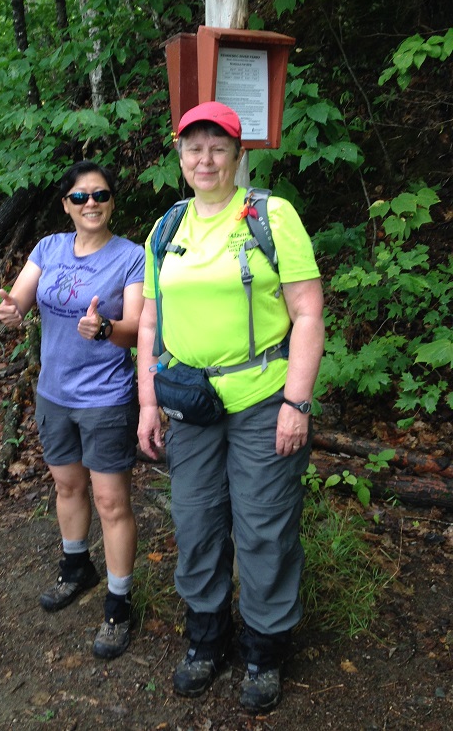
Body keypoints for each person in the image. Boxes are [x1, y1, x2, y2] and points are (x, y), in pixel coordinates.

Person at [137, 102, 325, 712]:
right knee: (194, 520)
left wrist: (297, 401)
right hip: (190, 400)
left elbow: (307, 313)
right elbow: (150, 322)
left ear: (239, 156)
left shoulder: (270, 216)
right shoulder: (167, 229)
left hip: (263, 397)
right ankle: (207, 636)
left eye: (218, 147)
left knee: (264, 524)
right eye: (194, 148)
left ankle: (265, 647)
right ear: (180, 156)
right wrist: (147, 401)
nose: (206, 159)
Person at [0, 160, 144, 660]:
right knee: (67, 485)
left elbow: (139, 330)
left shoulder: (132, 257)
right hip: (54, 393)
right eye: (80, 197)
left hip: (106, 398)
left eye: (100, 195)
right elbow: (19, 298)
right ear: (66, 205)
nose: (91, 204)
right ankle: (76, 566)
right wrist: (12, 309)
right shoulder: (49, 248)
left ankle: (119, 602)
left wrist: (105, 328)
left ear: (111, 201)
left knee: (111, 502)